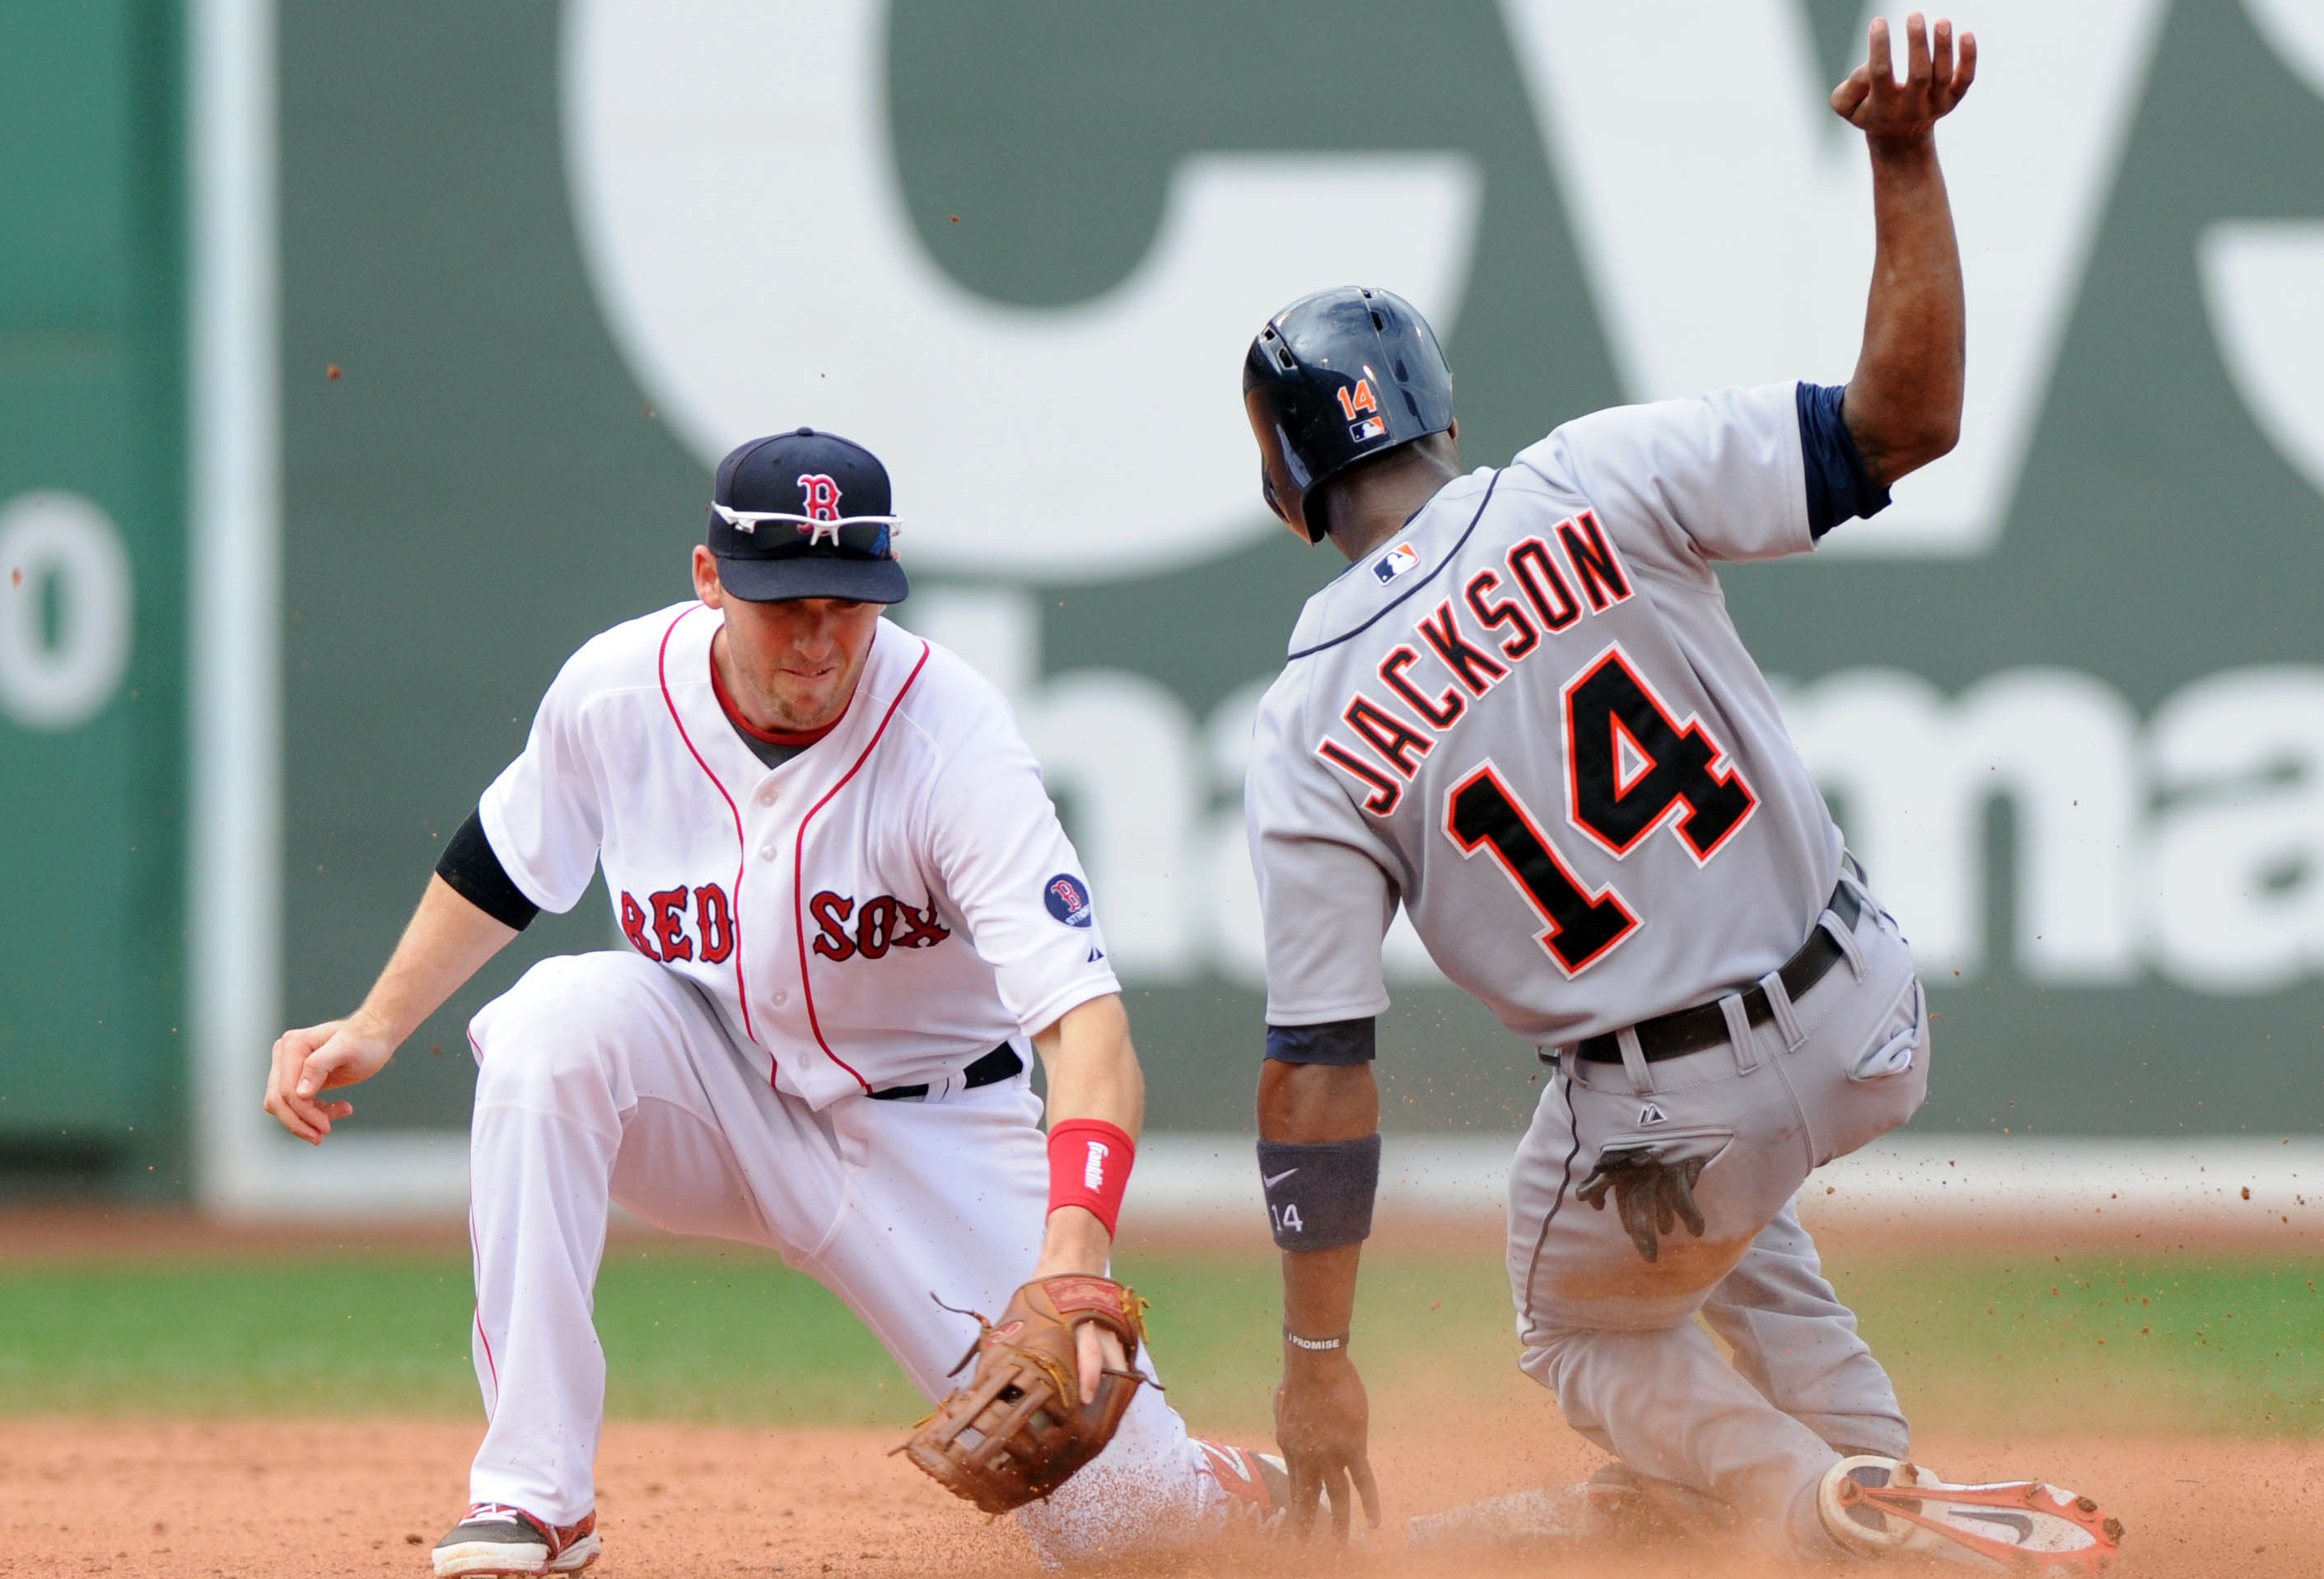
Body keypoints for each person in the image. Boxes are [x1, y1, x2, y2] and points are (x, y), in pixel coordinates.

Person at [1236, 16, 2123, 1569]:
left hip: (1664, 1099)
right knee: (1695, 1214)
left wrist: (1318, 1363)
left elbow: (1321, 1070)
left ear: (1284, 485)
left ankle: (1805, 1503)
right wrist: (1905, 157)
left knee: (1571, 1321)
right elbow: (1905, 419)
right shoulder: (1596, 475)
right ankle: (1870, 1460)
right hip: (1866, 1018)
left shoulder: (1311, 714)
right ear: (1442, 413)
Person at [263, 427, 1285, 1577]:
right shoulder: (616, 690)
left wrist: (1073, 1253)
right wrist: (375, 1023)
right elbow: (504, 855)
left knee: (1124, 1530)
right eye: (784, 600)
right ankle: (534, 1496)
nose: (819, 635)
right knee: (551, 1027)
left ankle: (1230, 1484)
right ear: (710, 580)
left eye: (849, 602)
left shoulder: (953, 737)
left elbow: (1089, 1031)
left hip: (931, 1126)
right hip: (716, 1088)